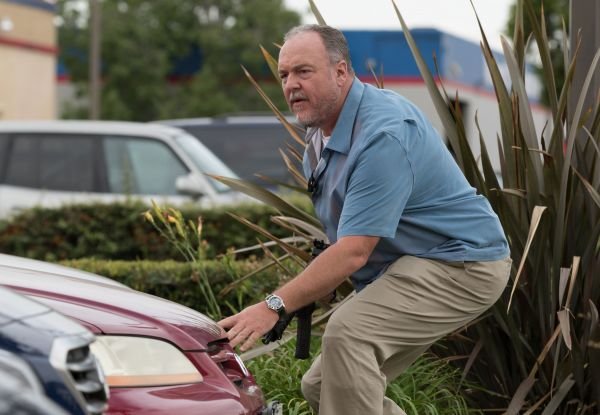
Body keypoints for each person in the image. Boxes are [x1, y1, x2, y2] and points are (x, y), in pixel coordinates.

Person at [218, 24, 512, 415]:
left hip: (462, 264)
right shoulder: (321, 134)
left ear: (341, 71)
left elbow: (354, 251)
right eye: (284, 74)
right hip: (413, 262)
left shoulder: (382, 135)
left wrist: (273, 305)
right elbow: (350, 237)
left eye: (304, 71)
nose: (291, 85)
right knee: (324, 386)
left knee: (348, 336)